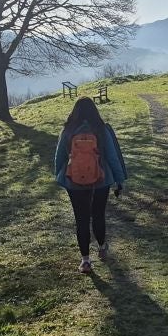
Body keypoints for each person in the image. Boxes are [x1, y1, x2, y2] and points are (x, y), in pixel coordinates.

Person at [54, 97, 128, 273]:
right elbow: (112, 157)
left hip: (74, 182)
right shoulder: (101, 129)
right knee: (98, 215)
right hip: (101, 180)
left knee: (81, 219)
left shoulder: (68, 129)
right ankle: (102, 248)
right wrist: (119, 180)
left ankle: (85, 261)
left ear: (75, 112)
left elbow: (59, 157)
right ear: (95, 111)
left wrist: (60, 176)